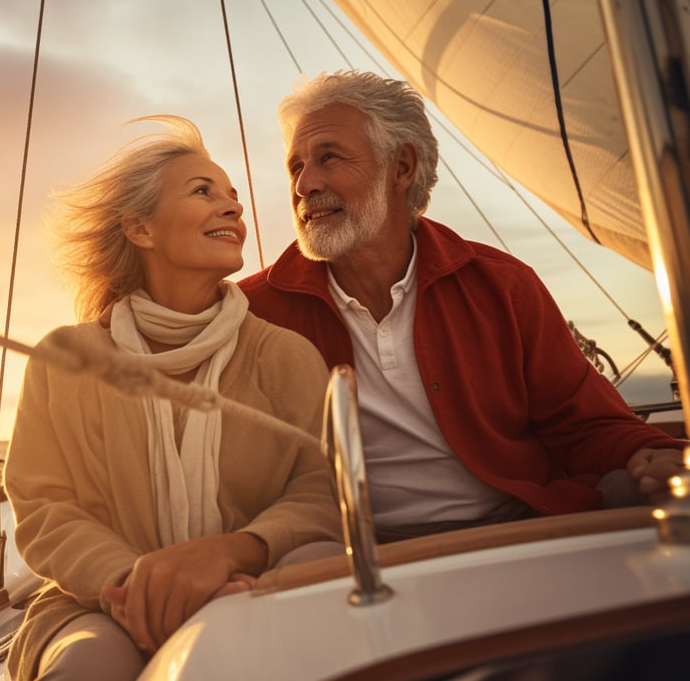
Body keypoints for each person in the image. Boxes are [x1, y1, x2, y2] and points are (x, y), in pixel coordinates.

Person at [240, 69, 687, 542]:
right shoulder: (252, 312)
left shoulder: (502, 285)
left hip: (522, 523)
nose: (304, 184)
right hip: (355, 550)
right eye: (295, 166)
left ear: (402, 168)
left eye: (328, 158)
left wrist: (652, 452)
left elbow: (585, 424)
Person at [3, 115, 343, 680]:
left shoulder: (285, 355)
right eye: (203, 191)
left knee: (295, 614)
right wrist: (140, 588)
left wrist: (236, 554)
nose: (233, 207)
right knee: (90, 665)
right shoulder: (65, 359)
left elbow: (320, 491)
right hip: (97, 602)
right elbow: (44, 510)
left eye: (234, 196)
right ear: (141, 229)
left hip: (257, 578)